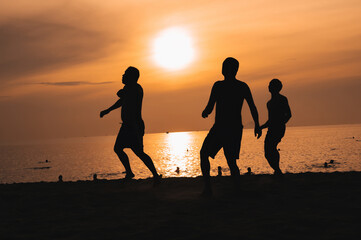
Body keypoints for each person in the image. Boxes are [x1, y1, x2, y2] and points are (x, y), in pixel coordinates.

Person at [200, 57, 262, 196]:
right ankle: (231, 188)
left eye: (224, 66)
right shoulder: (240, 86)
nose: (222, 68)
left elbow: (210, 107)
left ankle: (211, 188)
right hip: (229, 128)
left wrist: (205, 112)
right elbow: (252, 106)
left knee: (216, 156)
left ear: (230, 69)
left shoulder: (222, 86)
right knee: (228, 159)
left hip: (225, 127)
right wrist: (257, 124)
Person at [100, 66, 161, 184]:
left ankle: (155, 175)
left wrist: (122, 93)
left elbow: (124, 95)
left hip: (134, 125)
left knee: (139, 152)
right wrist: (108, 110)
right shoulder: (128, 89)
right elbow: (122, 100)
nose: (122, 76)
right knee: (118, 148)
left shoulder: (136, 89)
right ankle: (130, 172)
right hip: (127, 125)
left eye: (125, 74)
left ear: (132, 77)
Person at [260, 79, 291, 177]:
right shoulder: (269, 103)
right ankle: (277, 170)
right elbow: (270, 120)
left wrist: (281, 123)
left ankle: (277, 170)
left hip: (279, 128)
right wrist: (261, 127)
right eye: (269, 85)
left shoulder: (282, 99)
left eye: (271, 85)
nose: (269, 87)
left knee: (272, 148)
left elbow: (289, 114)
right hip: (271, 129)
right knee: (268, 151)